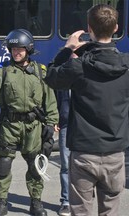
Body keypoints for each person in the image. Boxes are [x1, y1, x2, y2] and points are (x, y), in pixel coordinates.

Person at [44, 4, 129, 216]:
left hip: (84, 151)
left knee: (81, 211)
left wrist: (68, 48)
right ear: (116, 28)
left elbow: (51, 77)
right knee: (110, 210)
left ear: (89, 28)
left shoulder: (79, 66)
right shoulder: (126, 65)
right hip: (115, 150)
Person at [0, 28, 59, 216]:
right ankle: (1, 202)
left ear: (29, 50)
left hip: (34, 126)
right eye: (13, 49)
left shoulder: (40, 72)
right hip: (10, 125)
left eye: (20, 49)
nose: (16, 52)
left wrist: (51, 123)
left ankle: (36, 202)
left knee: (35, 165)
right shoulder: (2, 72)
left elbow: (50, 99)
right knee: (4, 164)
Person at [55, 90, 70, 216]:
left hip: (86, 125)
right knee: (66, 165)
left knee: (86, 164)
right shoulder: (64, 73)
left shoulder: (89, 73)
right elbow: (55, 98)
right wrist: (55, 118)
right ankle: (66, 202)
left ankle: (84, 198)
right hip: (66, 124)